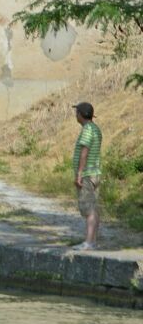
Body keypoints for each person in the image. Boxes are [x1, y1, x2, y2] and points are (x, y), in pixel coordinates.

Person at [71, 101, 102, 251]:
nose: (75, 115)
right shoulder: (95, 128)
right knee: (94, 208)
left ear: (81, 115)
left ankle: (88, 242)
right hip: (95, 173)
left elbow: (84, 152)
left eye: (76, 112)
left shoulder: (87, 130)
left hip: (87, 175)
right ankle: (93, 241)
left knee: (88, 209)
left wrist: (79, 174)